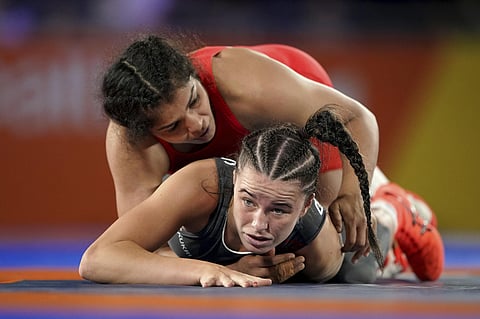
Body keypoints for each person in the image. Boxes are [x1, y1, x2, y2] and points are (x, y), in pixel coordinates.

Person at [101, 35, 443, 280]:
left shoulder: (244, 84)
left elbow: (358, 118)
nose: (197, 124)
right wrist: (222, 269)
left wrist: (353, 194)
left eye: (193, 100)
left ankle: (389, 209)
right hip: (237, 159)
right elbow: (146, 252)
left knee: (342, 263)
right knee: (235, 258)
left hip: (292, 114)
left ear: (194, 76)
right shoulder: (130, 143)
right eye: (173, 125)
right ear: (146, 132)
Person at [79, 110, 444, 286]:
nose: (258, 224)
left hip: (319, 237)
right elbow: (96, 260)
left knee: (353, 274)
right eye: (248, 200)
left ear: (304, 207)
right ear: (235, 179)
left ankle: (392, 209)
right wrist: (211, 270)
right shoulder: (198, 186)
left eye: (280, 210)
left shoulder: (314, 241)